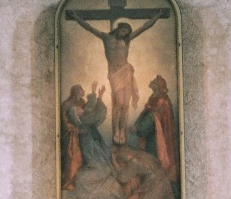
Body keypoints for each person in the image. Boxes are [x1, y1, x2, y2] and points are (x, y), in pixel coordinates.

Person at [66, 10, 164, 145]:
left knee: (125, 105)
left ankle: (121, 131)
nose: (123, 34)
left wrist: (157, 16)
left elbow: (144, 27)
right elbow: (89, 28)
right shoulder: (106, 38)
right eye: (123, 31)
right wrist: (76, 17)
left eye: (126, 33)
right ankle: (116, 129)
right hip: (115, 75)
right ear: (118, 28)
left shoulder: (127, 40)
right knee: (118, 104)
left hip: (126, 71)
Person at [132, 75, 180, 199]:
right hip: (158, 136)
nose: (152, 88)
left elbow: (150, 120)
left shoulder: (159, 102)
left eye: (153, 86)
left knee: (153, 165)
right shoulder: (162, 99)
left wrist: (137, 129)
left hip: (156, 140)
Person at [61, 84, 86, 190]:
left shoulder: (82, 102)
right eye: (81, 89)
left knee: (82, 158)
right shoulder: (66, 104)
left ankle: (77, 181)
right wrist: (74, 128)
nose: (83, 91)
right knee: (72, 158)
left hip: (81, 134)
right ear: (76, 91)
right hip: (70, 135)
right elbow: (64, 122)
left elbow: (86, 116)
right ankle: (68, 182)